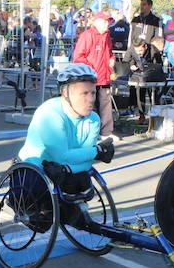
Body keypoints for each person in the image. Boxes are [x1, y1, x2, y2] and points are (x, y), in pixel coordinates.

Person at [17, 63, 114, 228]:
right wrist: (97, 151)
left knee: (79, 179)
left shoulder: (94, 119)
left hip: (62, 172)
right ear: (65, 93)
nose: (91, 99)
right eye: (84, 93)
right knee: (43, 223)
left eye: (93, 92)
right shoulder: (49, 114)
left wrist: (71, 166)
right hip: (32, 173)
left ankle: (72, 213)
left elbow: (84, 159)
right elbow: (62, 156)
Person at [73, 11, 116, 140]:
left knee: (105, 104)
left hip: (104, 76)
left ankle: (106, 132)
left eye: (108, 22)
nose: (106, 24)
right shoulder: (87, 36)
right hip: (91, 77)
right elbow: (78, 56)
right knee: (89, 104)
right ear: (96, 22)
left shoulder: (107, 36)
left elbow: (109, 53)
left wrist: (112, 59)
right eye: (104, 21)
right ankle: (89, 132)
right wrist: (91, 69)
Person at [122, 38, 165, 124]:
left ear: (145, 47)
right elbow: (125, 61)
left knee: (154, 94)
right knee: (139, 92)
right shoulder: (131, 49)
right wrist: (131, 65)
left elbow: (159, 64)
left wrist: (151, 70)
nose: (139, 52)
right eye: (137, 50)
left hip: (152, 74)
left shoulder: (153, 50)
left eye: (140, 50)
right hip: (138, 74)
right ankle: (141, 115)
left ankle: (156, 115)